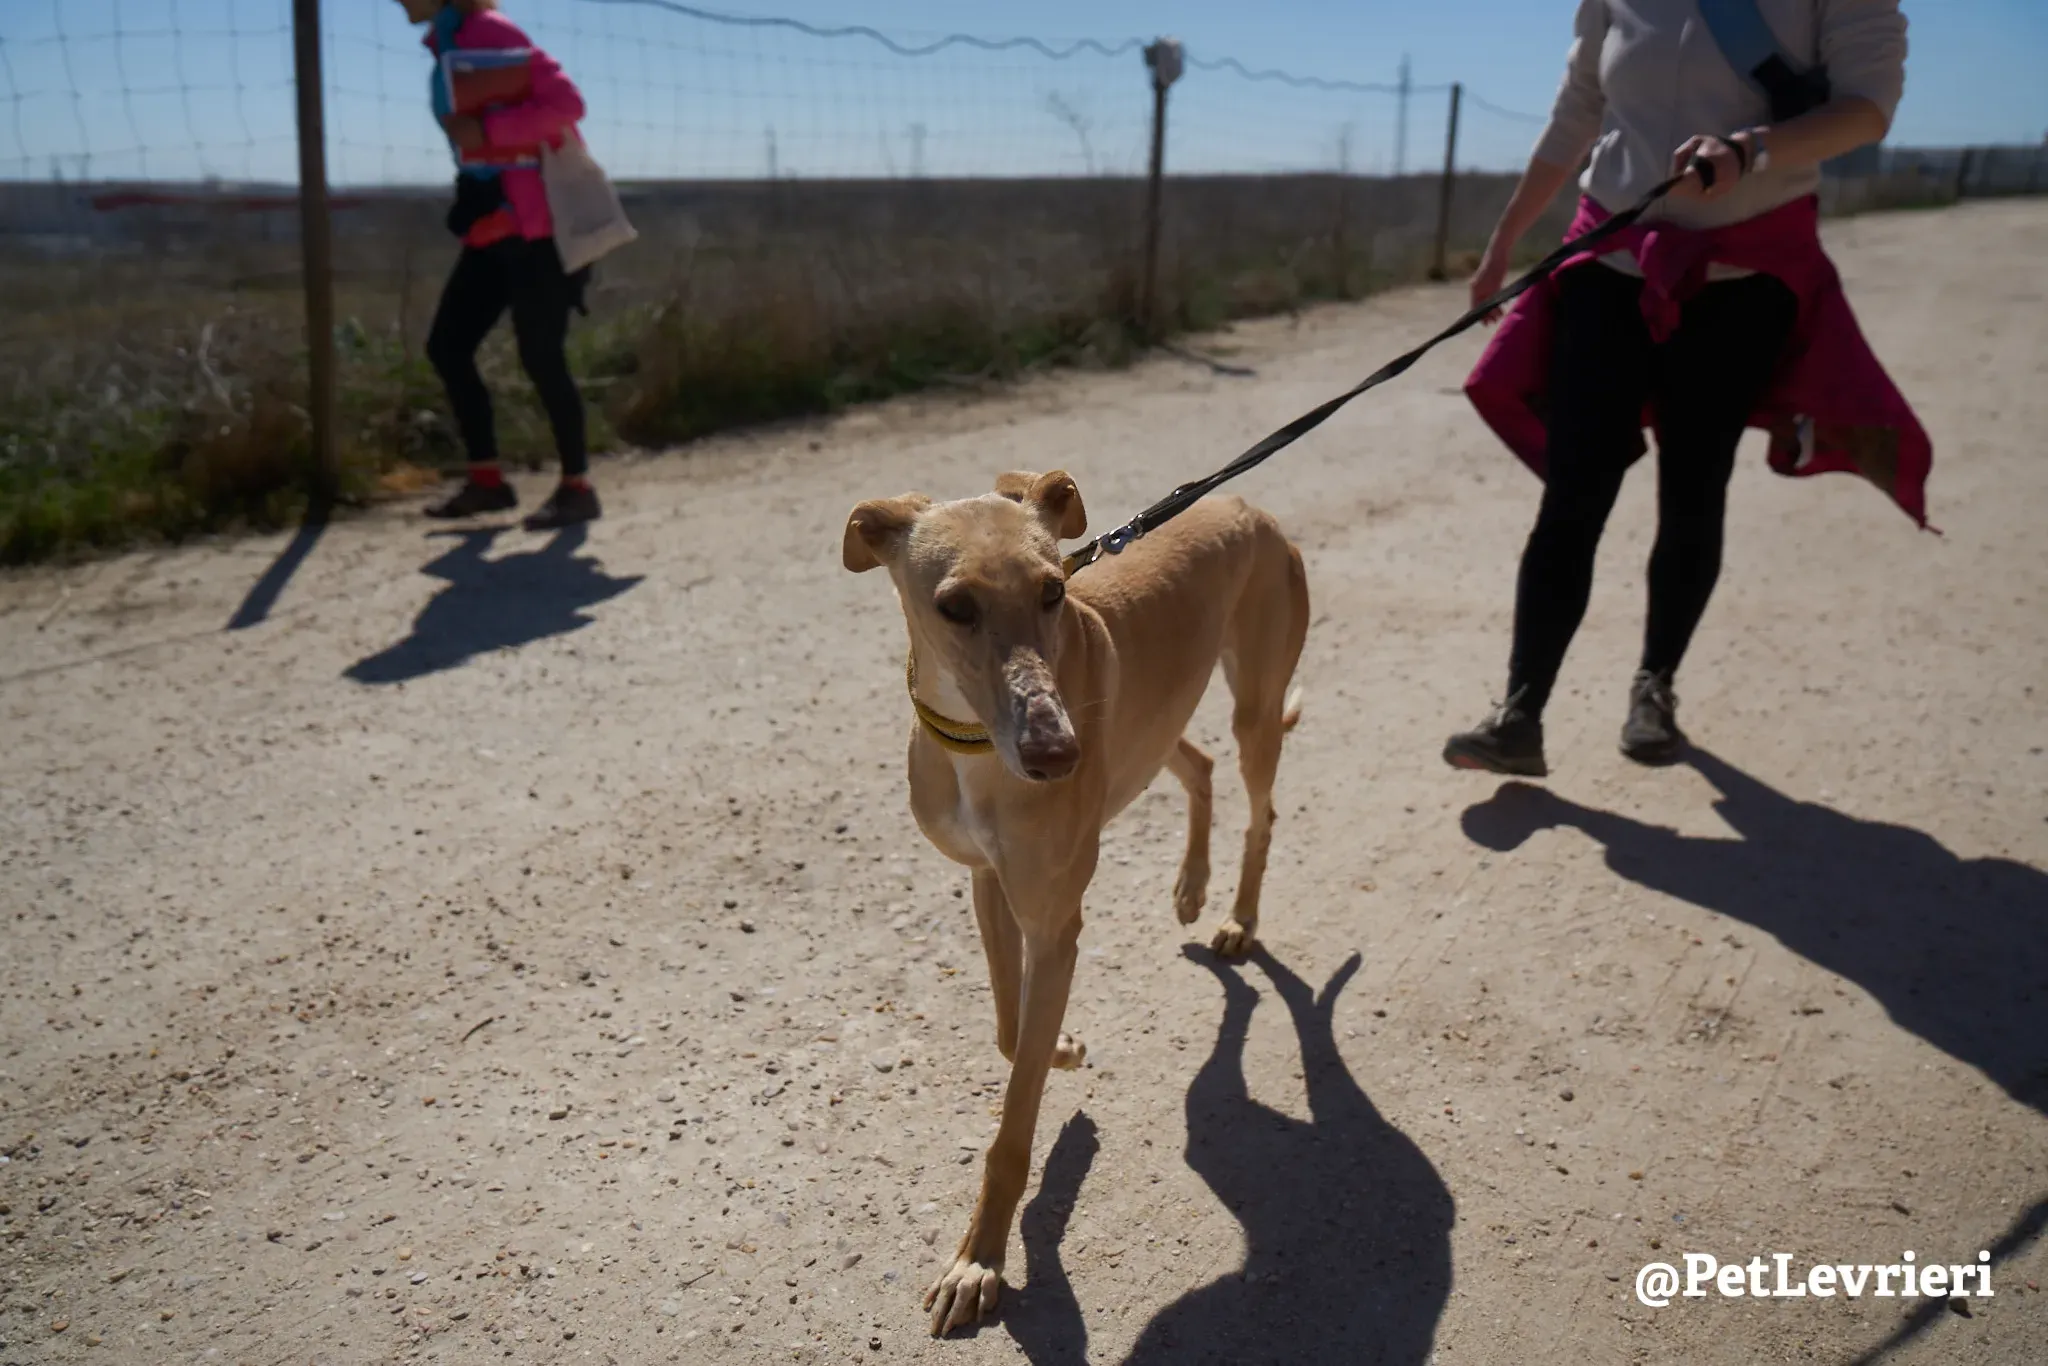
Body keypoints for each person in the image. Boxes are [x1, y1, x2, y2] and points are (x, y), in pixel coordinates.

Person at [1446, 0, 1923, 777]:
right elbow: (1580, 107)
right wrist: (1503, 244)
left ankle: (1655, 687)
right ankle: (1520, 712)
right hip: (1609, 263)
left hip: (1744, 279)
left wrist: (1751, 151)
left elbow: (1866, 110)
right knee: (1573, 491)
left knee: (1694, 485)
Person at [398, 0, 601, 530]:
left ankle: (577, 487)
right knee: (449, 345)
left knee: (540, 355)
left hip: (537, 228)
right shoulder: (448, 42)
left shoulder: (487, 29)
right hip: (495, 227)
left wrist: (490, 130)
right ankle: (487, 481)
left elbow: (566, 103)